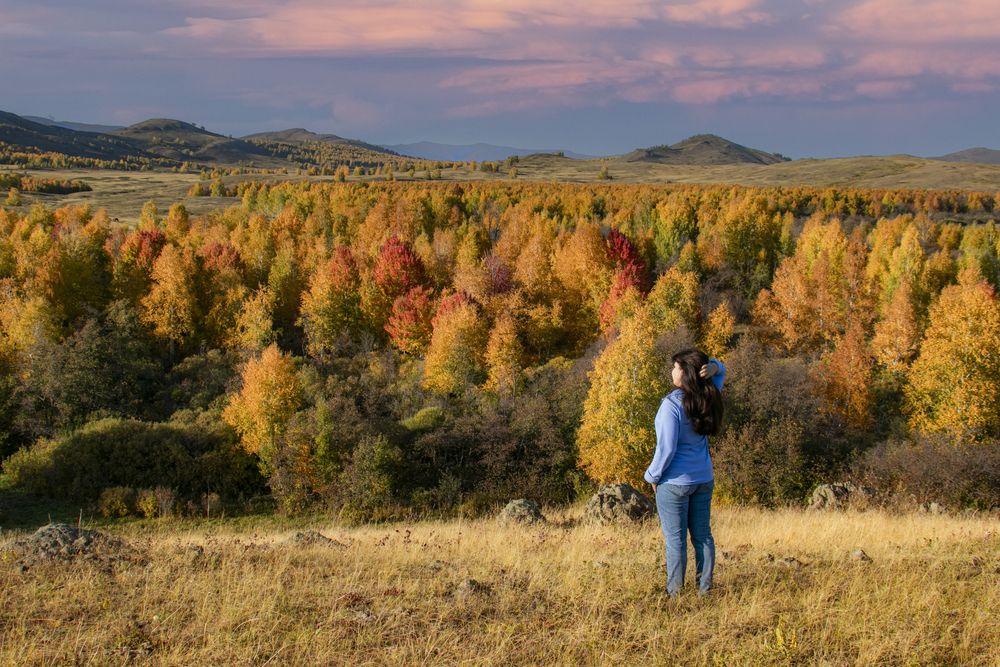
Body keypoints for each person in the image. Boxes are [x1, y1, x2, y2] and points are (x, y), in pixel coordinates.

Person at [644, 348, 725, 597]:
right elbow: (720, 372)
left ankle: (675, 593)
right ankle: (704, 590)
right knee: (703, 537)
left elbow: (666, 449)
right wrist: (714, 366)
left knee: (676, 541)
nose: (672, 371)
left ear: (686, 372)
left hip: (674, 483)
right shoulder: (709, 395)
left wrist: (652, 476)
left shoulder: (671, 406)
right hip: (703, 478)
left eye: (676, 367)